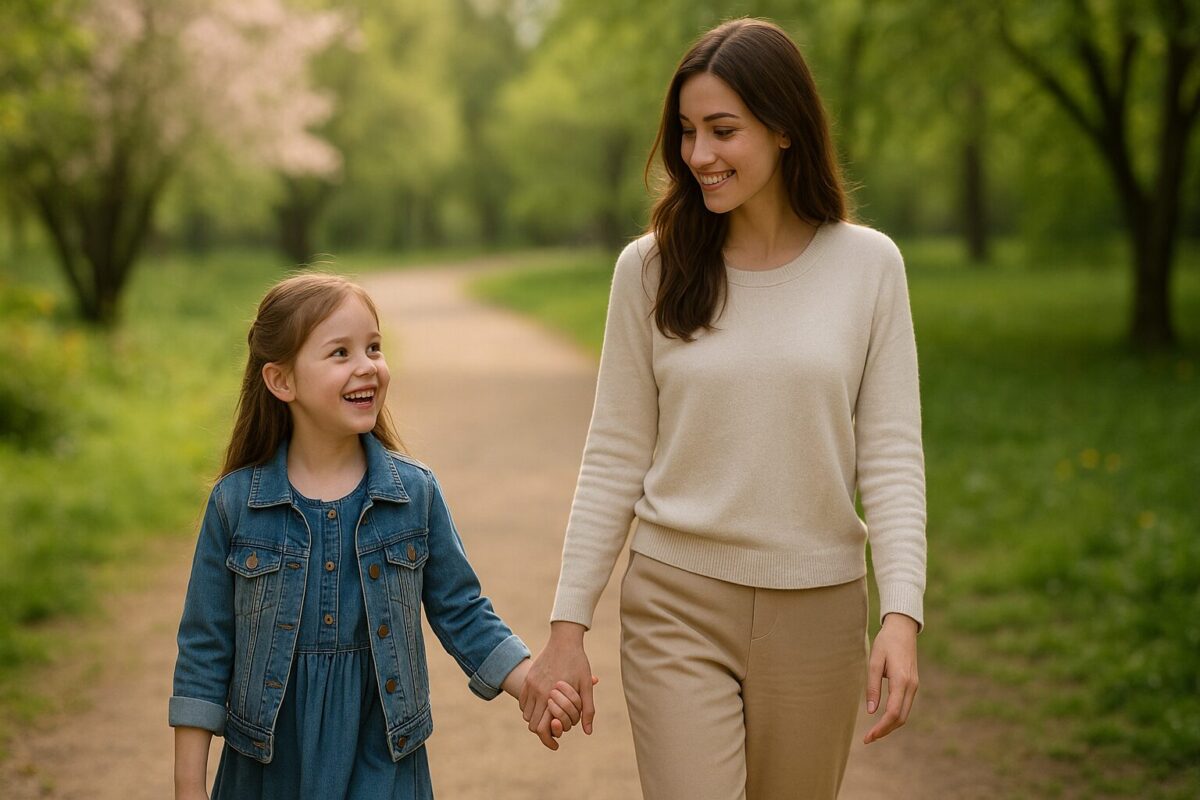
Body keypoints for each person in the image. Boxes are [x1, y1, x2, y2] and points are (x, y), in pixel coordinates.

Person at [519, 17, 926, 800]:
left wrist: (901, 616)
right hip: (676, 602)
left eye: (721, 130)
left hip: (820, 609)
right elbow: (614, 453)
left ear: (783, 129)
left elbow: (892, 455)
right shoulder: (651, 268)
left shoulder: (869, 266)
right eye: (686, 132)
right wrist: (568, 626)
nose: (698, 155)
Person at [169, 273, 586, 799]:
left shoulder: (413, 493)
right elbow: (205, 647)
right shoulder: (235, 505)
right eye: (339, 353)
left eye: (373, 347)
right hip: (267, 766)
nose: (366, 365)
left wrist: (532, 684)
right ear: (282, 381)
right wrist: (189, 786)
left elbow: (461, 609)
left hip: (383, 756)